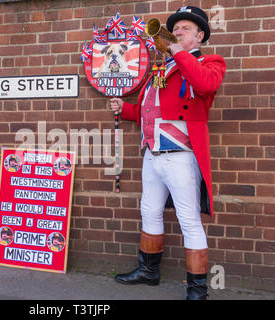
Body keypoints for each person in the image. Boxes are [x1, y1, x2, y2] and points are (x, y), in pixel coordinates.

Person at [109, 6, 226, 300]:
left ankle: (198, 289)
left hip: (181, 155)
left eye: (185, 29)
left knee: (188, 219)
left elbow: (204, 84)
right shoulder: (164, 68)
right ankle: (148, 271)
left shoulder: (210, 62)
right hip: (153, 154)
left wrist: (179, 54)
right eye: (175, 28)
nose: (176, 32)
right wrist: (126, 110)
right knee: (149, 210)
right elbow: (154, 113)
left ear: (200, 36)